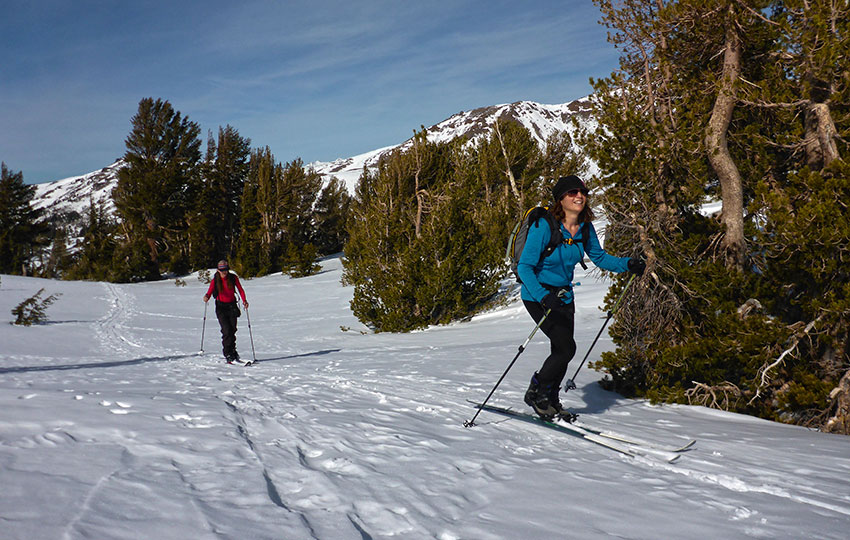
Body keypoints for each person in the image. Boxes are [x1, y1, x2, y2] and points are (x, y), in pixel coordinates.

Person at [516, 175, 645, 419]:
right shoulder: (544, 226)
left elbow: (600, 257)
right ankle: (537, 390)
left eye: (583, 192)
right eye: (572, 192)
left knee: (561, 349)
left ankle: (551, 398)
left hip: (563, 296)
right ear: (560, 199)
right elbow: (525, 267)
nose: (579, 196)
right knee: (566, 348)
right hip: (537, 295)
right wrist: (543, 296)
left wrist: (628, 264)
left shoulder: (584, 227)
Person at [203, 260, 249, 363]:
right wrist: (206, 296)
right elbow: (209, 291)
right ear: (218, 270)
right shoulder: (215, 280)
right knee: (226, 330)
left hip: (232, 306)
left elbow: (240, 290)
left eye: (226, 270)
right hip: (221, 307)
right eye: (222, 270)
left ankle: (233, 350)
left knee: (233, 329)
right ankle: (228, 353)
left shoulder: (233, 278)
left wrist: (244, 300)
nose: (224, 272)